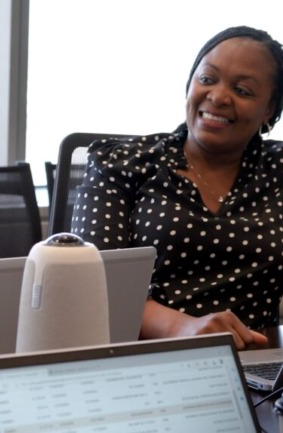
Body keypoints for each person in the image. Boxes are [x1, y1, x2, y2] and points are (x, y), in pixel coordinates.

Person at [71, 25, 283, 350]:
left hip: (257, 370)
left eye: (242, 90)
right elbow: (95, 286)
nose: (219, 96)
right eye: (208, 79)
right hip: (145, 360)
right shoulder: (123, 163)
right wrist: (183, 328)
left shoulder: (277, 169)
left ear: (269, 109)